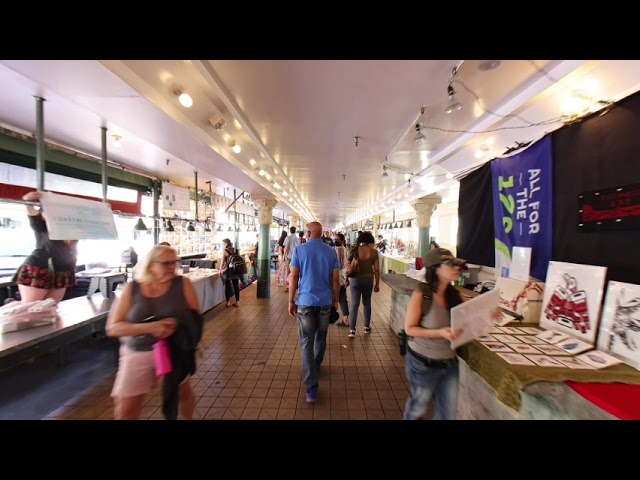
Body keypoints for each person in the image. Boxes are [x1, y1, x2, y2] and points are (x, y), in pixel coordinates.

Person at [106, 244, 203, 420]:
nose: (172, 267)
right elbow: (113, 328)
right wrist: (151, 327)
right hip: (137, 352)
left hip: (174, 351)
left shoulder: (183, 284)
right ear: (150, 264)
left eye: (174, 263)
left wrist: (178, 325)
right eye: (166, 263)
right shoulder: (132, 288)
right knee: (125, 408)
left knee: (182, 393)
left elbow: (196, 319)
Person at [402, 247, 468, 420]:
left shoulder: (455, 294)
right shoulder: (422, 295)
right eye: (451, 265)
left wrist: (490, 311)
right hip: (423, 364)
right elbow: (410, 329)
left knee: (448, 414)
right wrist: (440, 333)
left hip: (450, 363)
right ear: (435, 269)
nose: (457, 269)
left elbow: (472, 312)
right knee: (417, 411)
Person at [288, 221, 340, 403]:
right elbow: (335, 279)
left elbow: (294, 276)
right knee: (321, 337)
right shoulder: (331, 251)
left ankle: (312, 386)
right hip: (325, 302)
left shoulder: (300, 251)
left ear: (309, 232)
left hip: (304, 302)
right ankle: (315, 366)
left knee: (306, 342)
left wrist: (290, 301)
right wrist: (336, 299)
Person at [13, 190, 78, 304]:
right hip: (40, 267)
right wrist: (28, 200)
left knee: (50, 308)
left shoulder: (71, 230)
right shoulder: (42, 226)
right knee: (30, 306)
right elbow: (32, 213)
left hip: (62, 270)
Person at [346, 231, 380, 337]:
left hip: (355, 280)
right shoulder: (374, 252)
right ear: (370, 241)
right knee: (367, 303)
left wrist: (347, 278)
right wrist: (377, 283)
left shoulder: (355, 250)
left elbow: (348, 266)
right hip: (368, 280)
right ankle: (366, 327)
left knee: (354, 304)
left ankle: (352, 330)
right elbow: (377, 269)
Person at [219, 238, 241, 307]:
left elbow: (222, 262)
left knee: (227, 286)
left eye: (223, 244)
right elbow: (238, 259)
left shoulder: (225, 251)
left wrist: (220, 270)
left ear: (226, 244)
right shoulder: (236, 250)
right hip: (235, 270)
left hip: (228, 270)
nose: (222, 245)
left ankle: (228, 302)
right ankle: (237, 302)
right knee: (236, 286)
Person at [334, 233, 350, 326]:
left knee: (340, 297)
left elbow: (339, 263)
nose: (335, 240)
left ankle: (345, 319)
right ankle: (346, 318)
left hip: (339, 275)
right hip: (343, 274)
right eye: (335, 238)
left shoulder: (340, 249)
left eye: (337, 239)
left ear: (342, 240)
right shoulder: (345, 249)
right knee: (342, 297)